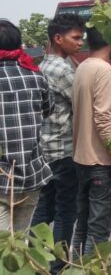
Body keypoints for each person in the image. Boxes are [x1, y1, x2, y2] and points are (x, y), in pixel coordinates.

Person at [30, 14, 84, 271]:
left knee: (44, 210)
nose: (80, 43)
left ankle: (32, 259)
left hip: (44, 149)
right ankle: (58, 266)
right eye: (75, 38)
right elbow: (82, 101)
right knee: (65, 212)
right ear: (58, 38)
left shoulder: (41, 66)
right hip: (63, 150)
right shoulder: (62, 70)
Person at [70, 27, 111, 258]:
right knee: (98, 234)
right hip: (100, 163)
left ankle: (77, 270)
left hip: (81, 160)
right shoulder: (104, 70)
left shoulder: (82, 66)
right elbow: (104, 119)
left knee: (82, 228)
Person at [0, 19, 52, 232]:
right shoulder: (35, 75)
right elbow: (49, 109)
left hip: (2, 180)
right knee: (18, 248)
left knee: (4, 251)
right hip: (30, 176)